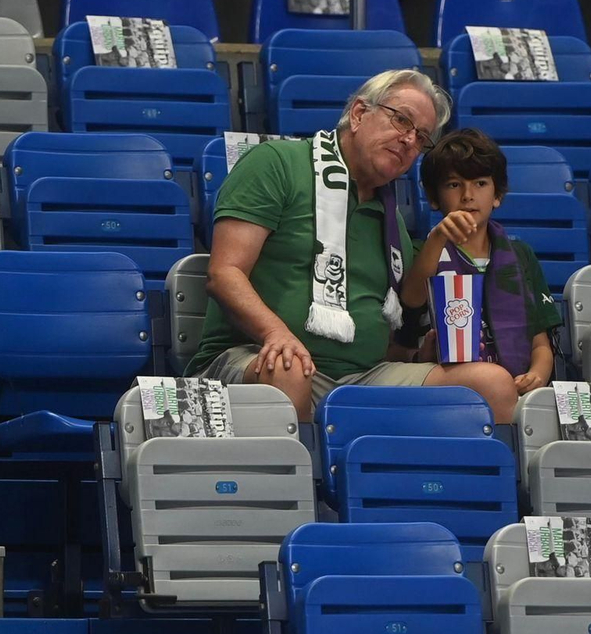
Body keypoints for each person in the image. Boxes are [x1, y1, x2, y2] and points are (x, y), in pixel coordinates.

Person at [188, 70, 522, 422]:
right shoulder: (276, 162)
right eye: (402, 120)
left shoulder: (392, 219)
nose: (409, 140)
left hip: (361, 377)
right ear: (360, 113)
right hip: (255, 355)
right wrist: (276, 333)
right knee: (287, 368)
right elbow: (224, 273)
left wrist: (419, 355)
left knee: (491, 385)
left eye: (421, 137)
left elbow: (389, 336)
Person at [396, 128, 560, 400]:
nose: (468, 195)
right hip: (448, 388)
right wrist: (438, 238)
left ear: (497, 195)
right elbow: (412, 299)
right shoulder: (421, 251)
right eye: (453, 185)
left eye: (480, 183)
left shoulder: (521, 255)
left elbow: (540, 344)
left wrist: (537, 375)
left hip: (516, 388)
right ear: (434, 197)